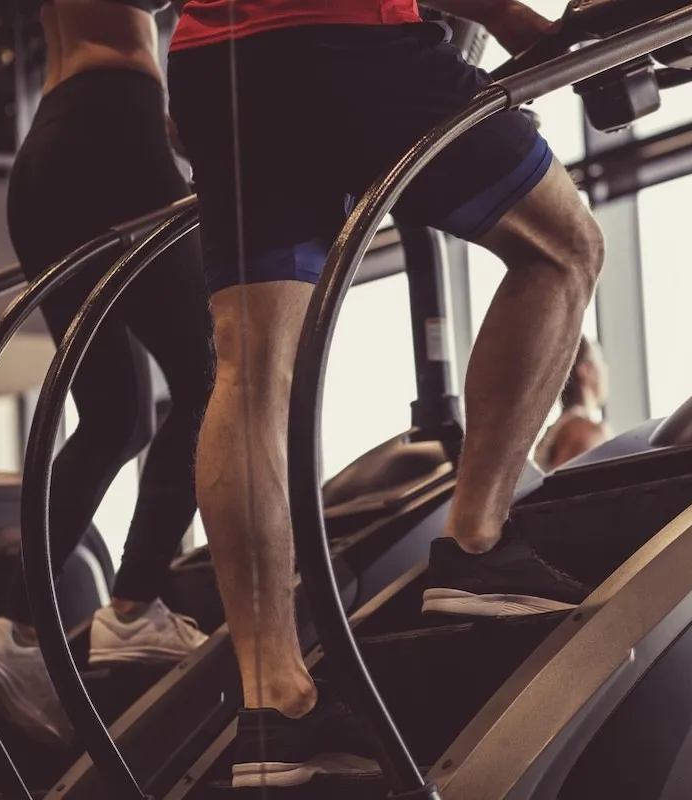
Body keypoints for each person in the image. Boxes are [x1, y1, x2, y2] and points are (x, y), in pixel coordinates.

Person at [167, 0, 605, 789]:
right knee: (564, 249)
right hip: (346, 33)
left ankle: (275, 702)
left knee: (250, 368)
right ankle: (475, 546)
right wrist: (508, 18)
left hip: (216, 60)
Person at [0, 0, 216, 746]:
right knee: (216, 372)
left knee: (116, 416)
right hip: (114, 133)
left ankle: (15, 626)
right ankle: (137, 603)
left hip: (52, 152)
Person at [534, 336, 612, 471]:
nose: (605, 369)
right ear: (585, 370)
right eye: (600, 361)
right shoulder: (587, 433)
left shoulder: (550, 435)